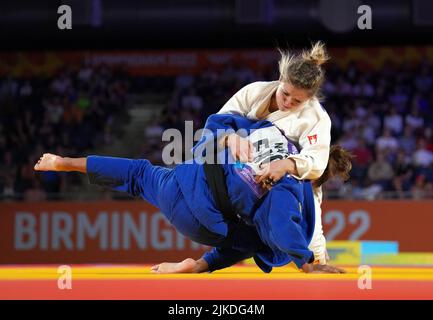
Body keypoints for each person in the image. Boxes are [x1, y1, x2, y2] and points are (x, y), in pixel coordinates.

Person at [34, 114, 346, 274]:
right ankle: (198, 265)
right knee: (259, 239)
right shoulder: (293, 180)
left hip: (186, 177)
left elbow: (218, 125)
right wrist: (304, 260)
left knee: (139, 173)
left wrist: (225, 140)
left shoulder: (269, 131)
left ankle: (66, 162)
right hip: (203, 221)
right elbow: (279, 220)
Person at [214, 41, 332, 264]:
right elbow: (218, 123)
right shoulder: (254, 91)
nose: (287, 102)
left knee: (312, 245)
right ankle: (221, 258)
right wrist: (230, 137)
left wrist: (286, 165)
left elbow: (317, 161)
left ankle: (319, 260)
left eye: (297, 101)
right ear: (280, 80)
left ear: (310, 99)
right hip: (242, 168)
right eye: (285, 93)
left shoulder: (315, 117)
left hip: (292, 180)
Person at [151, 145, 352, 274]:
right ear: (320, 178)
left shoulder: (285, 145)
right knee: (255, 242)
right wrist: (312, 262)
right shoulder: (303, 187)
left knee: (251, 236)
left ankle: (200, 265)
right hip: (231, 215)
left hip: (216, 180)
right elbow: (303, 229)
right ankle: (199, 266)